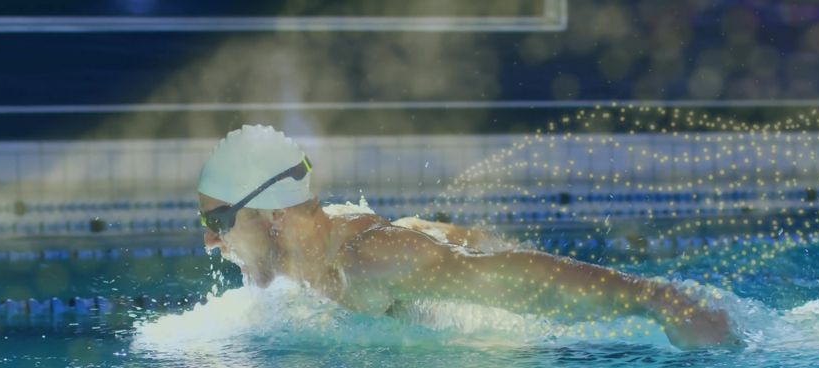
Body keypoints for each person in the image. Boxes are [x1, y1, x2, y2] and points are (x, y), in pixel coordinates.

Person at [196, 125, 739, 350]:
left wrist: (654, 301)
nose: (210, 245)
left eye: (217, 223)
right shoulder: (319, 254)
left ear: (270, 215)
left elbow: (513, 279)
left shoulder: (369, 258)